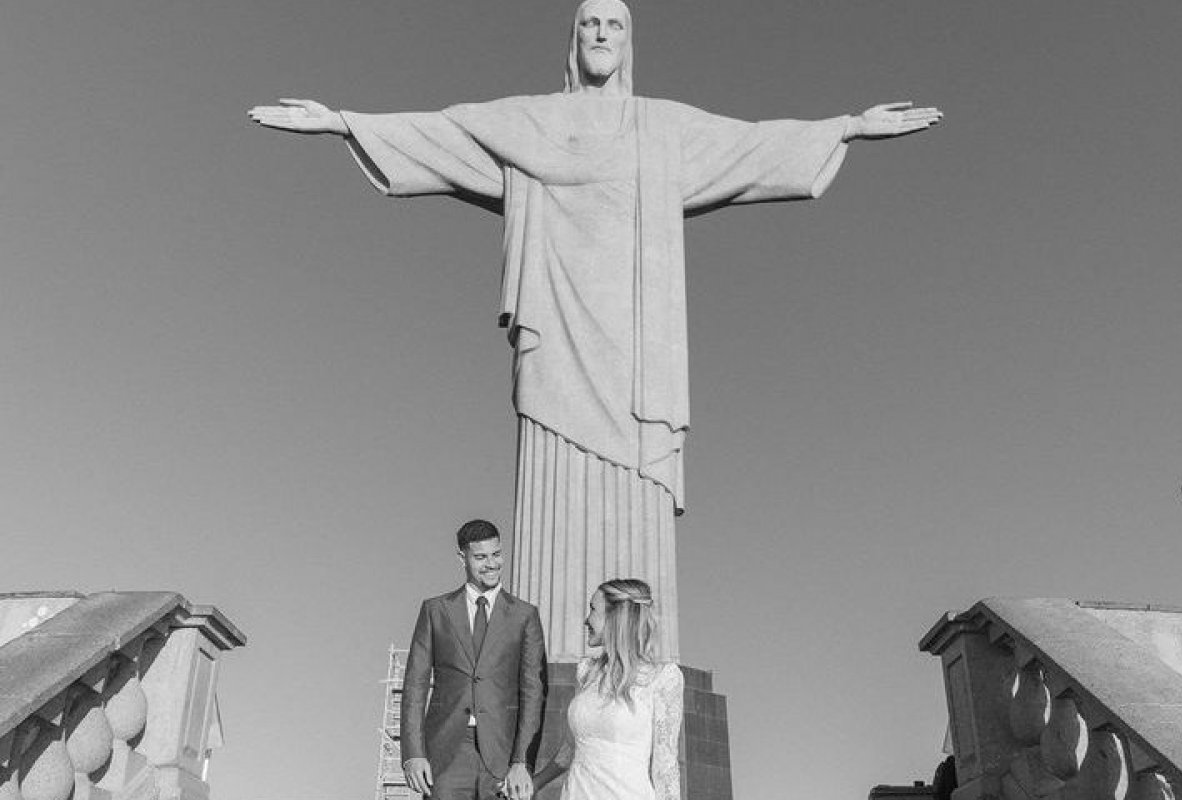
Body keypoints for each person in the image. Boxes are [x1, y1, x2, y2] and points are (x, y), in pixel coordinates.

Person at [248, 0, 942, 665]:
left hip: (639, 341)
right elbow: (443, 133)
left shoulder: (661, 129)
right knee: (552, 461)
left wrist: (846, 126)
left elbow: (752, 144)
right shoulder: (529, 123)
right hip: (554, 320)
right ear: (573, 40)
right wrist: (342, 122)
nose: (602, 34)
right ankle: (552, 652)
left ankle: (639, 653)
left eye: (615, 24)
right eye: (590, 24)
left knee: (636, 471)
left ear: (629, 41)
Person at [399, 520, 547, 800]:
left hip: (503, 753)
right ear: (462, 558)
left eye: (496, 554)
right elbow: (415, 687)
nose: (491, 564)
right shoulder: (435, 610)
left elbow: (533, 692)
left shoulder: (525, 616)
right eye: (481, 557)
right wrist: (413, 754)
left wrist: (522, 761)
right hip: (445, 754)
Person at [531, 578, 683, 800]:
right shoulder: (587, 672)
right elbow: (572, 747)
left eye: (593, 609)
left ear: (615, 616)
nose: (586, 620)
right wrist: (537, 782)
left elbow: (665, 768)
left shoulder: (662, 678)